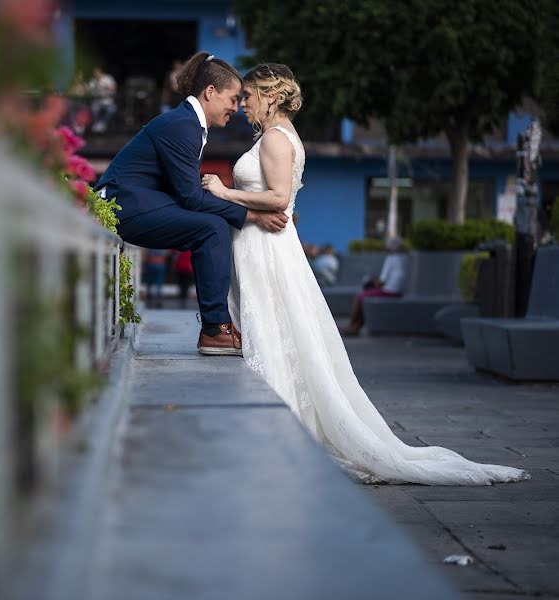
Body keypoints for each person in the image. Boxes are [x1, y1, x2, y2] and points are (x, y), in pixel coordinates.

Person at [200, 63, 527, 485]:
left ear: (271, 96)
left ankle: (274, 430)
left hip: (266, 249)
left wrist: (225, 191)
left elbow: (280, 198)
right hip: (268, 245)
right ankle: (276, 425)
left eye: (248, 95)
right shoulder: (280, 138)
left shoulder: (275, 140)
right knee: (281, 333)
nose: (242, 104)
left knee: (274, 330)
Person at [94, 51, 288, 356]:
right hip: (123, 207)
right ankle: (215, 329)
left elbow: (186, 194)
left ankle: (218, 326)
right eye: (233, 98)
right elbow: (190, 197)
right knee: (210, 228)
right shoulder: (182, 125)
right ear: (210, 92)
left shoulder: (188, 124)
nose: (235, 109)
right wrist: (251, 214)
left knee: (212, 224)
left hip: (140, 202)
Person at [340, 238, 405, 335]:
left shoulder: (390, 258)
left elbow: (381, 282)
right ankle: (356, 327)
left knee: (360, 297)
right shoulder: (403, 258)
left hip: (390, 291)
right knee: (365, 295)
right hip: (399, 291)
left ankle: (352, 325)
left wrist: (372, 281)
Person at [87, 67, 117, 133]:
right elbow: (89, 92)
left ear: (101, 72)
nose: (96, 74)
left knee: (112, 110)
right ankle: (96, 124)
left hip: (107, 101)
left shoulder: (108, 78)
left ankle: (103, 124)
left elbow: (113, 89)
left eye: (97, 73)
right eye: (95, 73)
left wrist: (105, 86)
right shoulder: (92, 81)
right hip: (97, 101)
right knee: (93, 110)